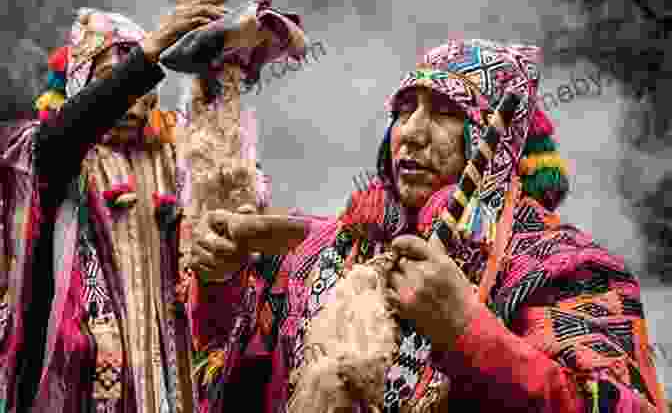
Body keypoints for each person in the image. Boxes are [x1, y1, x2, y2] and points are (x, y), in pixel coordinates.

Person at [186, 38, 667, 412]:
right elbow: (234, 372)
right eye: (403, 111)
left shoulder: (564, 269)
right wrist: (220, 282)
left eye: (444, 113)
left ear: (490, 141)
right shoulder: (333, 250)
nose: (411, 132)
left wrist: (468, 333)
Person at [0, 0, 304, 412]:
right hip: (76, 386)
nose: (136, 100)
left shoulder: (169, 155)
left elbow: (225, 178)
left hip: (163, 380)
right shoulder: (50, 154)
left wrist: (229, 63)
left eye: (146, 87)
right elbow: (63, 137)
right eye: (117, 79)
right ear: (82, 84)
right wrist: (153, 48)